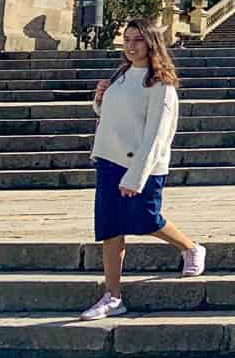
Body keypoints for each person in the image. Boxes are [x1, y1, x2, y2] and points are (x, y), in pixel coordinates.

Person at [80, 18, 206, 320]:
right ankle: (113, 296)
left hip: (142, 164)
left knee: (148, 219)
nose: (130, 45)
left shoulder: (161, 85)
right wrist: (99, 100)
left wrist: (137, 175)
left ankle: (191, 248)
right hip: (109, 160)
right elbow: (115, 116)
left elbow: (158, 135)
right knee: (110, 229)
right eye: (127, 39)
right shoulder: (122, 74)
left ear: (151, 43)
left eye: (137, 39)